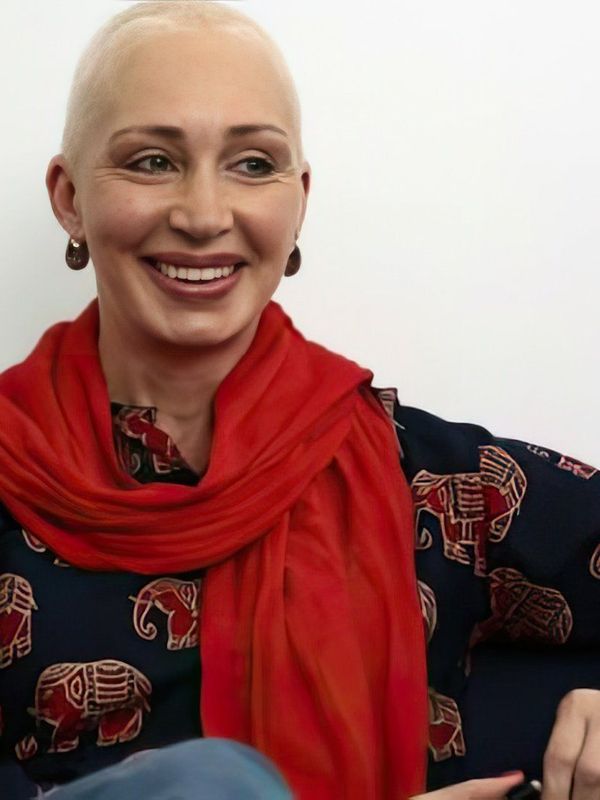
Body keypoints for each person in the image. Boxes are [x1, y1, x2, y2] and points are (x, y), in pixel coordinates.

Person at [0, 3, 598, 799]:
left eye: (253, 164)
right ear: (70, 197)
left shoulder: (432, 488)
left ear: (300, 200)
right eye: (152, 161)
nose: (204, 215)